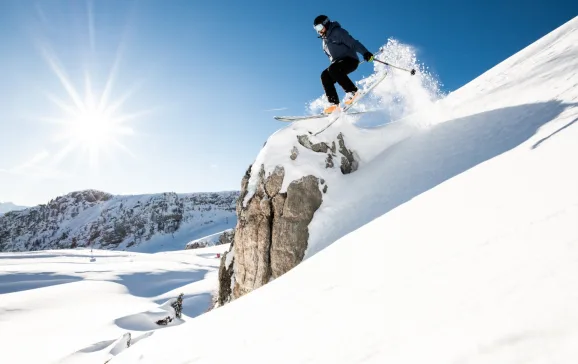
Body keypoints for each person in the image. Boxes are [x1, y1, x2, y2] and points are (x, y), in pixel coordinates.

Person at [313, 15, 374, 114]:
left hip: (350, 60)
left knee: (333, 69)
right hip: (337, 65)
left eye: (319, 27)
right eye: (316, 29)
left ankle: (353, 92)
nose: (318, 31)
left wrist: (365, 53)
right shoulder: (324, 42)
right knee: (325, 75)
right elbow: (331, 58)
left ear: (326, 23)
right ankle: (334, 104)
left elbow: (353, 43)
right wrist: (333, 73)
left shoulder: (337, 32)